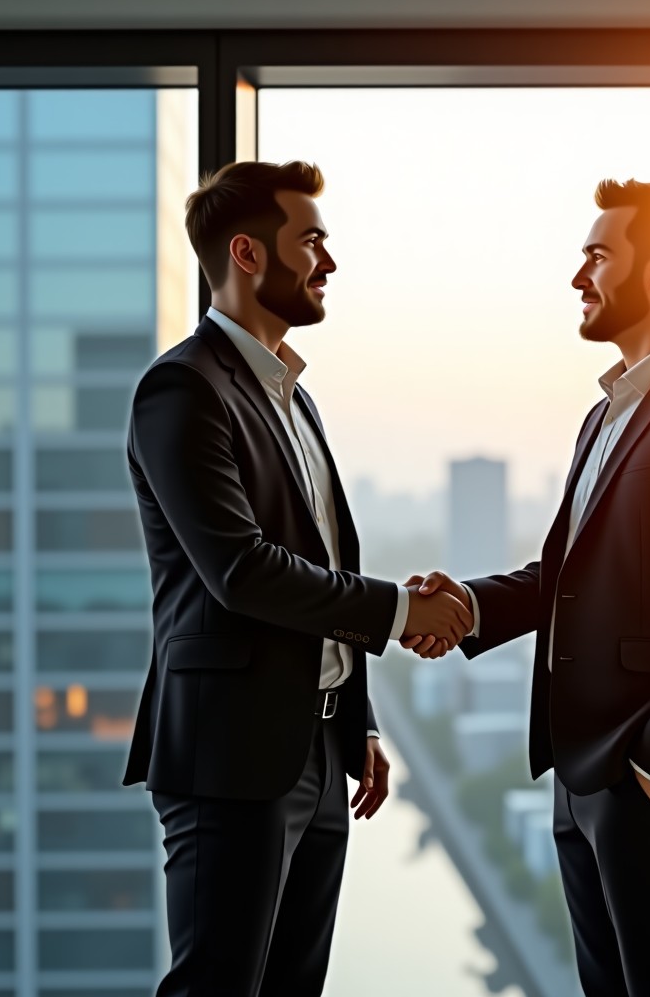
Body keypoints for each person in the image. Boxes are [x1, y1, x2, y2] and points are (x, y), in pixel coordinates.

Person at [407, 177, 650, 996]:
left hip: (645, 777)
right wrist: (468, 605)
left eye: (597, 256)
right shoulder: (605, 415)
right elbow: (570, 578)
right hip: (583, 778)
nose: (578, 277)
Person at [123, 160, 472, 997]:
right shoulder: (182, 389)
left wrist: (359, 719)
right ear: (247, 253)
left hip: (315, 749)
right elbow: (242, 570)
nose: (329, 261)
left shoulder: (293, 399)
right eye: (311, 240)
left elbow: (320, 569)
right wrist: (401, 610)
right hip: (230, 758)